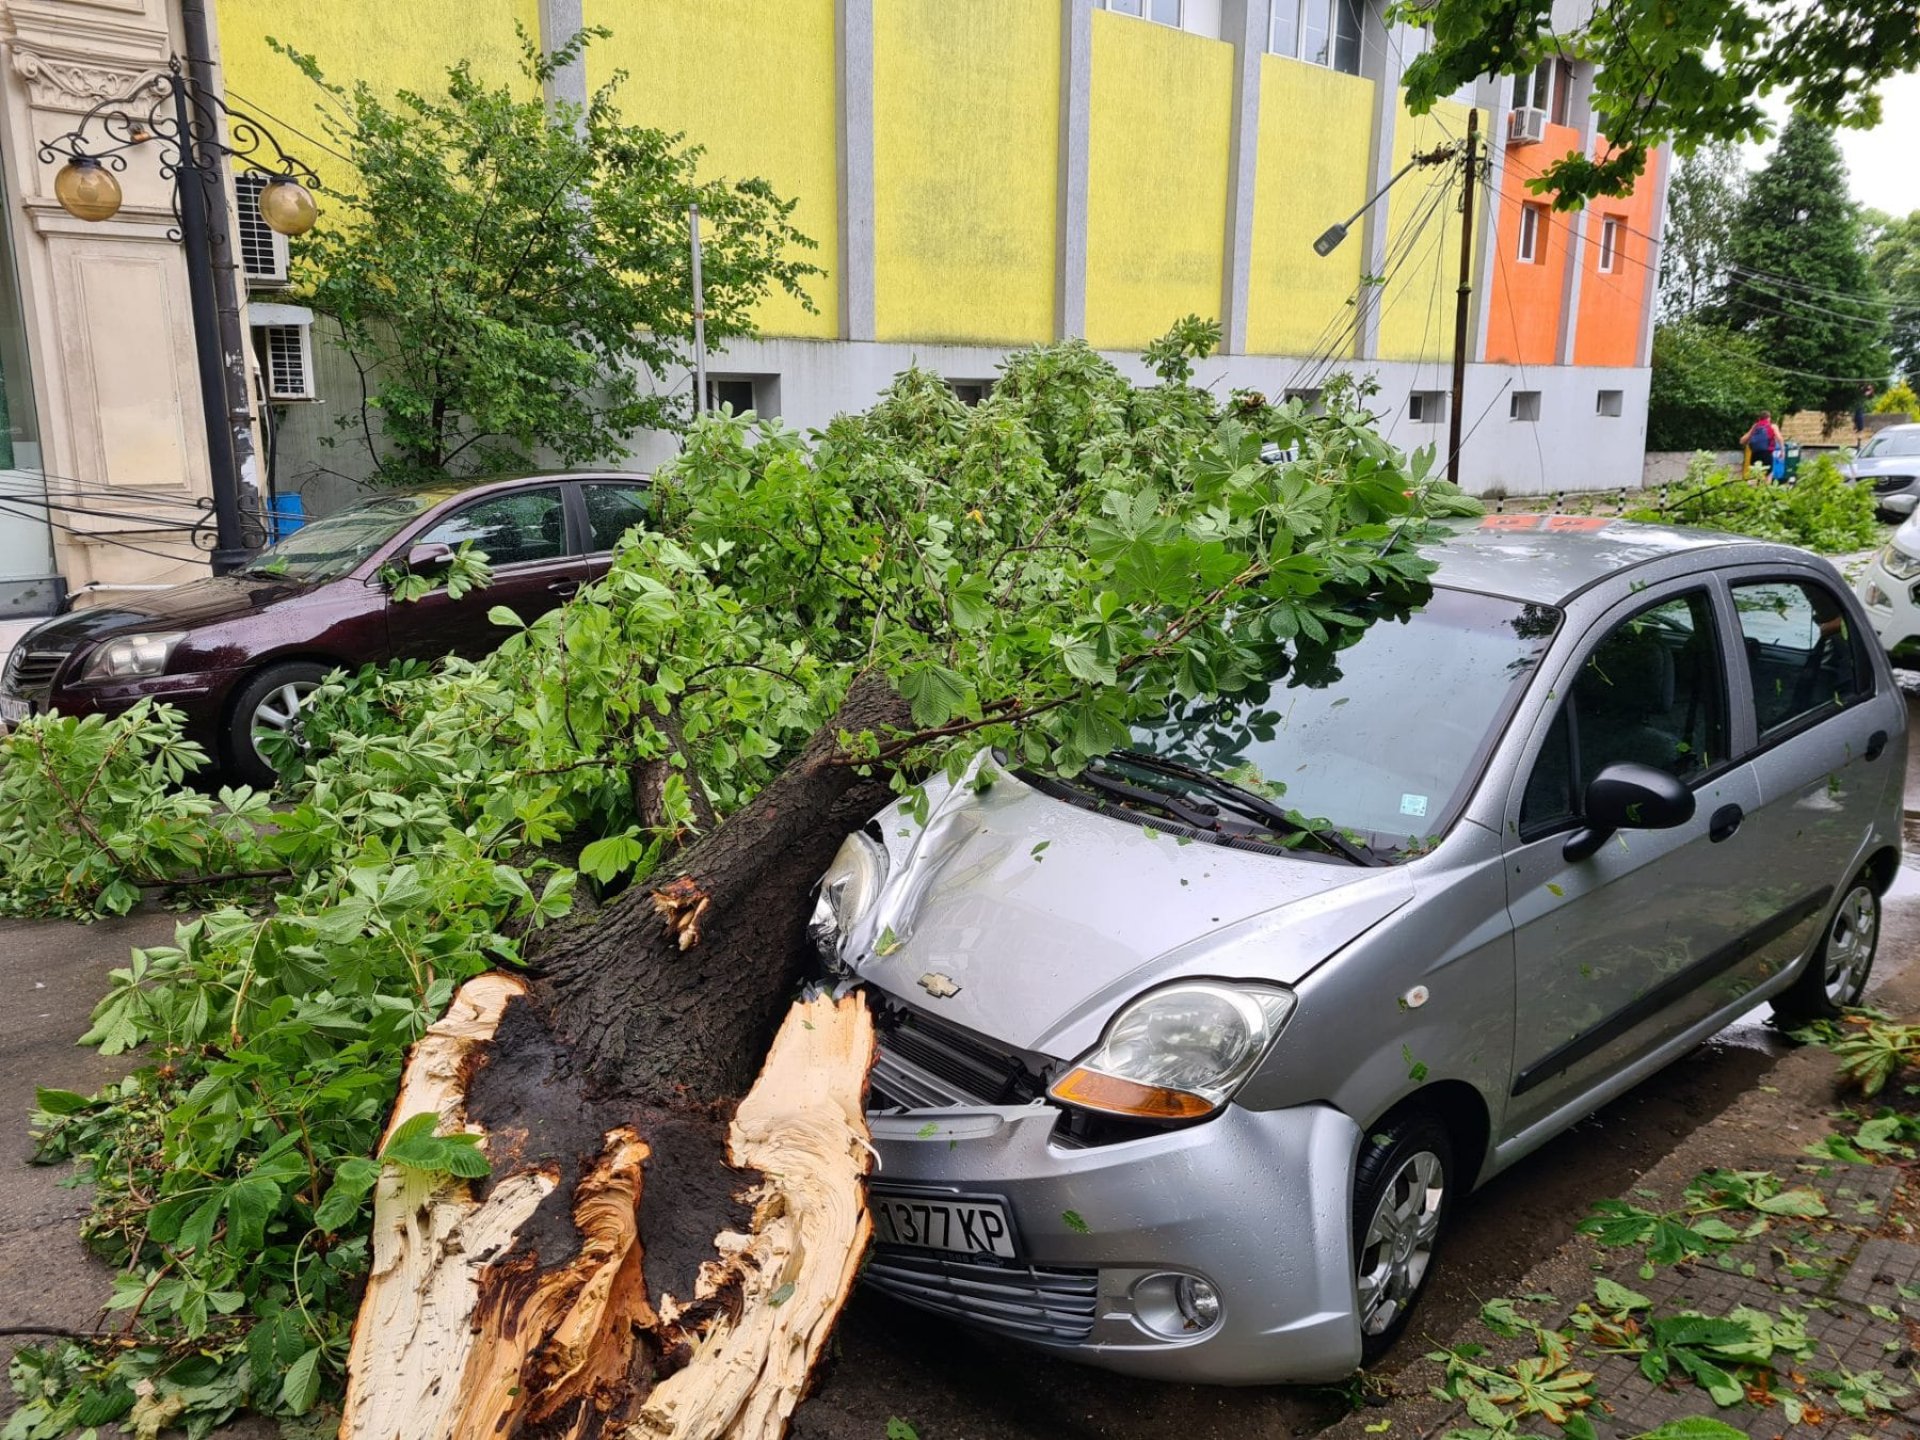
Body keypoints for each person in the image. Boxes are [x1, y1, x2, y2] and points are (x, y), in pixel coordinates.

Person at [1742, 412, 1780, 480]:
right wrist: (1783, 451)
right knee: (1768, 474)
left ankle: (1753, 490)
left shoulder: (1755, 426)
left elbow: (1742, 441)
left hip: (1755, 454)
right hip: (1766, 453)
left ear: (1759, 418)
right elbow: (1779, 438)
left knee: (1754, 475)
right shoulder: (1772, 426)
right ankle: (1765, 490)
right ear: (1769, 418)